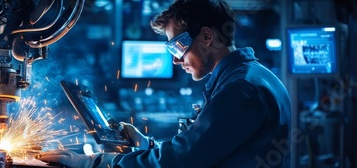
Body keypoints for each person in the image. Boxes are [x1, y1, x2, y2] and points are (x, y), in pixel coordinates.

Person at [37, 0, 291, 167]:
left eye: (177, 47)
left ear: (206, 36)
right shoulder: (247, 78)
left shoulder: (241, 89)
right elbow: (200, 150)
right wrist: (147, 145)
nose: (176, 60)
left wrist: (91, 163)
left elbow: (180, 161)